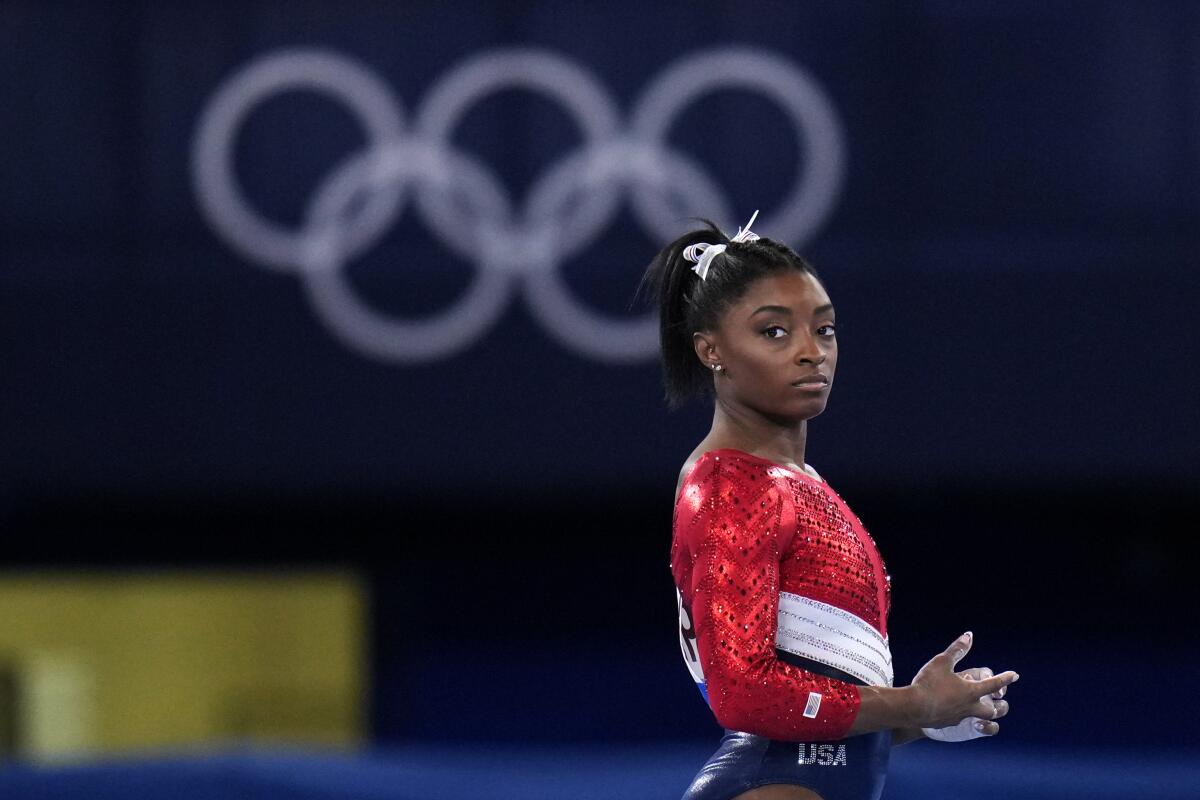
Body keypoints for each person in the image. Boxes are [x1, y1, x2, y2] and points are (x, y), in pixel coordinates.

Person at [643, 213, 1019, 800]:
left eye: (825, 330)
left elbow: (817, 706)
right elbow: (743, 694)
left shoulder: (795, 481)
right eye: (774, 332)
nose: (809, 353)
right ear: (711, 350)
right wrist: (912, 701)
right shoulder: (732, 485)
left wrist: (925, 717)